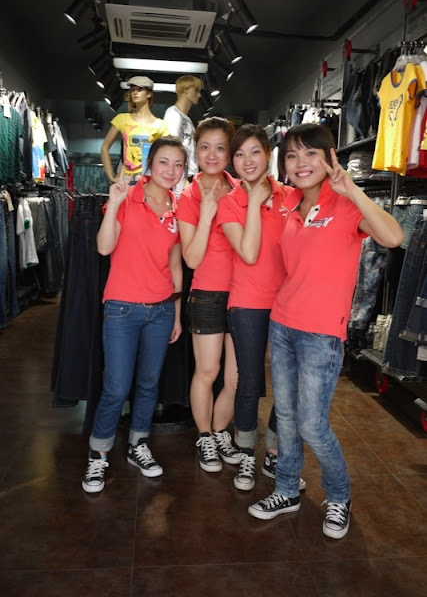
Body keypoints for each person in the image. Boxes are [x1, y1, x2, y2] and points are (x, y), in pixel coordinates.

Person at [248, 123, 403, 538]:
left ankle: (338, 497)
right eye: (293, 156)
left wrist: (352, 189)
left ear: (330, 156)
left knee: (312, 424)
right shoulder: (288, 207)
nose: (301, 163)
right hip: (282, 325)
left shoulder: (347, 206)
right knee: (285, 416)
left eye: (310, 154)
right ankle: (286, 489)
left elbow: (393, 236)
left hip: (321, 334)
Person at [82, 136, 186, 493]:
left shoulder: (178, 208)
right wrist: (113, 204)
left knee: (149, 383)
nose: (170, 171)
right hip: (122, 308)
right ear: (150, 165)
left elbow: (175, 266)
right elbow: (104, 246)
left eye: (178, 165)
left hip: (159, 310)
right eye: (164, 162)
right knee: (116, 386)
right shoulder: (128, 197)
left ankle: (138, 445)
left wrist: (175, 313)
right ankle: (98, 455)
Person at [217, 124, 306, 492]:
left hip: (291, 303)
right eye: (239, 154)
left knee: (291, 388)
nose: (247, 161)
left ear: (269, 154)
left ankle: (272, 452)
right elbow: (249, 253)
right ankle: (246, 457)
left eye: (255, 152)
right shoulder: (229, 201)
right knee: (249, 382)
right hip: (248, 303)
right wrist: (254, 201)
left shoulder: (295, 196)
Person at [177, 116, 241, 472]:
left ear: (229, 152)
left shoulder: (244, 188)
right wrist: (207, 212)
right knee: (208, 371)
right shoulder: (189, 194)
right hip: (207, 296)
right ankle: (204, 437)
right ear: (195, 150)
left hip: (244, 296)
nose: (212, 155)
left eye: (220, 147)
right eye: (205, 147)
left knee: (234, 378)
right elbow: (191, 257)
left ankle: (220, 433)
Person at [101, 76, 170, 184]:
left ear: (148, 94)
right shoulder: (122, 119)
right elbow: (105, 147)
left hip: (148, 179)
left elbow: (167, 154)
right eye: (133, 90)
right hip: (126, 178)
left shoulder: (160, 125)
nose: (135, 93)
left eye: (140, 89)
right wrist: (111, 176)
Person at [163, 75, 203, 196]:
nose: (199, 95)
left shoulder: (186, 119)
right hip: (178, 178)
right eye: (196, 90)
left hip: (185, 175)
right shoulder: (173, 114)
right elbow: (171, 148)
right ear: (185, 90)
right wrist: (180, 178)